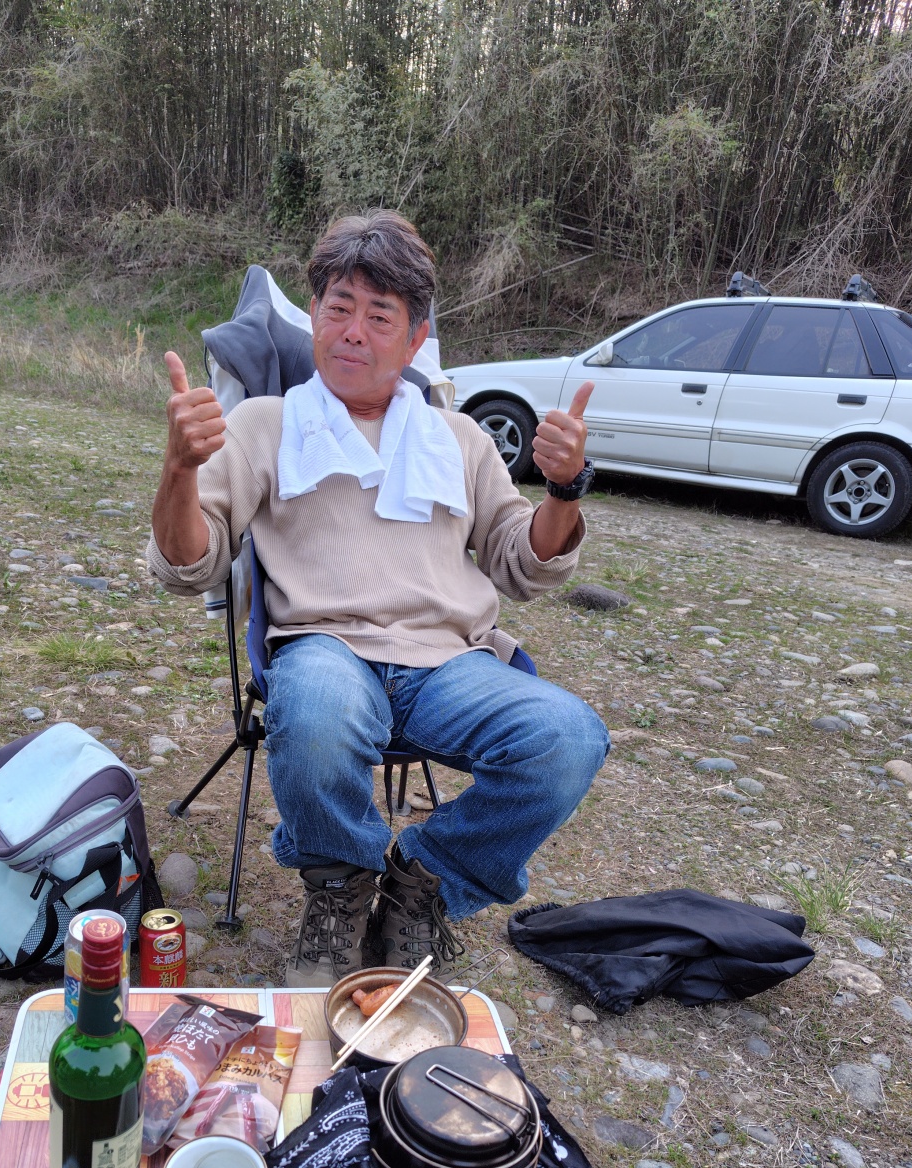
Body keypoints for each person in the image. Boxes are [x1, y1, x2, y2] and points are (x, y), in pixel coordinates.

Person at [147, 209, 608, 985]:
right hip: (324, 647)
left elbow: (522, 566)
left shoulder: (457, 438)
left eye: (379, 315)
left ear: (416, 337)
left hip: (449, 664)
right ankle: (338, 886)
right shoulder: (263, 424)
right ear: (314, 315)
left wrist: (563, 490)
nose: (352, 332)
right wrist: (179, 469)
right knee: (316, 708)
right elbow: (186, 566)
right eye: (338, 308)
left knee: (568, 739)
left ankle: (422, 884)